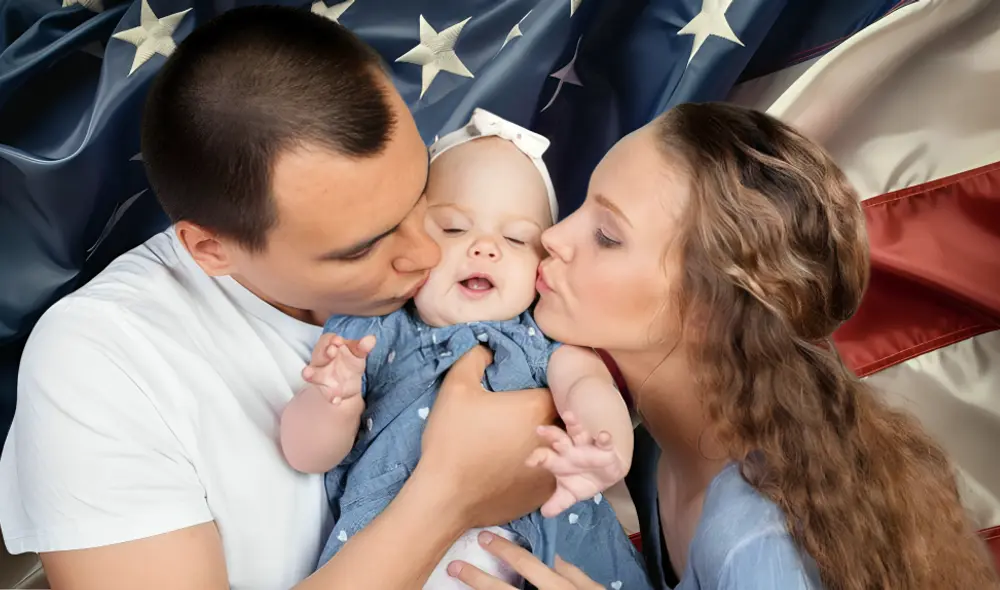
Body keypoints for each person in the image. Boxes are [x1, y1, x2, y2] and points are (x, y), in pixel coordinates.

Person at [0, 7, 560, 589]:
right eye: (362, 247)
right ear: (211, 250)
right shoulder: (104, 360)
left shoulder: (481, 252)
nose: (425, 253)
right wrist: (449, 499)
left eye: (420, 190)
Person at [446, 103, 1000, 589]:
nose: (553, 237)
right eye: (585, 206)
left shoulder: (756, 533)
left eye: (608, 236)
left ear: (708, 309)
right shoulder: (646, 437)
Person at [279, 108, 646, 589]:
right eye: (454, 228)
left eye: (515, 238)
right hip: (403, 557)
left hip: (552, 556)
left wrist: (604, 445)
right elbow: (306, 455)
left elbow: (589, 389)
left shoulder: (546, 339)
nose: (484, 248)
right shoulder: (372, 332)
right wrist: (332, 402)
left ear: (541, 267)